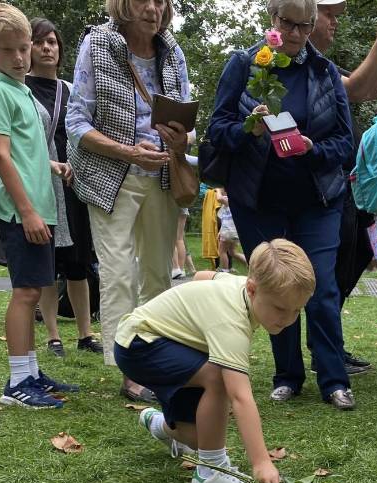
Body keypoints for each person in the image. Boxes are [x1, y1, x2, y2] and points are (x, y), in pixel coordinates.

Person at [208, 0, 357, 410]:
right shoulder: (243, 64)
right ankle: (287, 375)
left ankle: (334, 380)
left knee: (322, 286)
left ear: (313, 26)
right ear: (272, 20)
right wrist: (246, 127)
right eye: (287, 24)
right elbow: (217, 129)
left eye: (304, 26)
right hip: (258, 199)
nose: (294, 33)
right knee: (275, 285)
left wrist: (312, 149)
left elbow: (346, 143)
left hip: (316, 198)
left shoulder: (325, 71)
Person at [67, 0, 195, 403]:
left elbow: (188, 126)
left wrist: (180, 140)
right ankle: (129, 370)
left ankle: (154, 363)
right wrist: (128, 151)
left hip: (161, 177)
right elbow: (76, 123)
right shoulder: (98, 44)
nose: (153, 8)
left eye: (161, 1)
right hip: (112, 177)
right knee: (119, 272)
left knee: (159, 274)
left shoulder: (173, 52)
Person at [115, 240, 312, 483]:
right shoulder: (230, 322)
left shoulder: (240, 286)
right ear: (252, 290)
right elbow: (240, 397)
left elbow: (202, 276)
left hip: (175, 346)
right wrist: (261, 461)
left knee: (199, 437)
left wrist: (195, 315)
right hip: (140, 344)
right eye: (279, 308)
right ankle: (210, 474)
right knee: (219, 377)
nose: (287, 319)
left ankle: (160, 425)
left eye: (297, 310)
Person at [0, 3, 78, 409]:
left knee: (36, 290)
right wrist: (28, 211)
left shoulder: (21, 89)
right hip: (23, 211)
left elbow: (24, 149)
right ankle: (18, 382)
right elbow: (1, 156)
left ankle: (32, 371)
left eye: (24, 48)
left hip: (42, 205)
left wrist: (50, 164)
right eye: (8, 51)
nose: (20, 58)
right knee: (25, 293)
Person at [310, 0, 377, 375]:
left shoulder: (323, 63)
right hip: (322, 182)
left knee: (358, 251)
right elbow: (357, 88)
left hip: (341, 179)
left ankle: (327, 343)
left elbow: (371, 88)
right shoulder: (308, 61)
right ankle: (323, 349)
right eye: (329, 14)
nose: (334, 22)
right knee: (334, 264)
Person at [26, 18, 104, 359]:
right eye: (40, 42)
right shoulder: (21, 90)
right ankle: (53, 335)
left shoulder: (71, 89)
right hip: (41, 184)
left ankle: (86, 333)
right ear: (27, 48)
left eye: (53, 42)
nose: (47, 48)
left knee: (79, 262)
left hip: (74, 184)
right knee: (48, 261)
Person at [215, 189, 246, 271]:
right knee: (233, 252)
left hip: (228, 231)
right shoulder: (232, 202)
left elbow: (219, 199)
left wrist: (217, 190)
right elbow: (224, 220)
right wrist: (220, 231)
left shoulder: (229, 199)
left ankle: (225, 271)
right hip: (233, 232)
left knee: (222, 251)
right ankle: (250, 264)